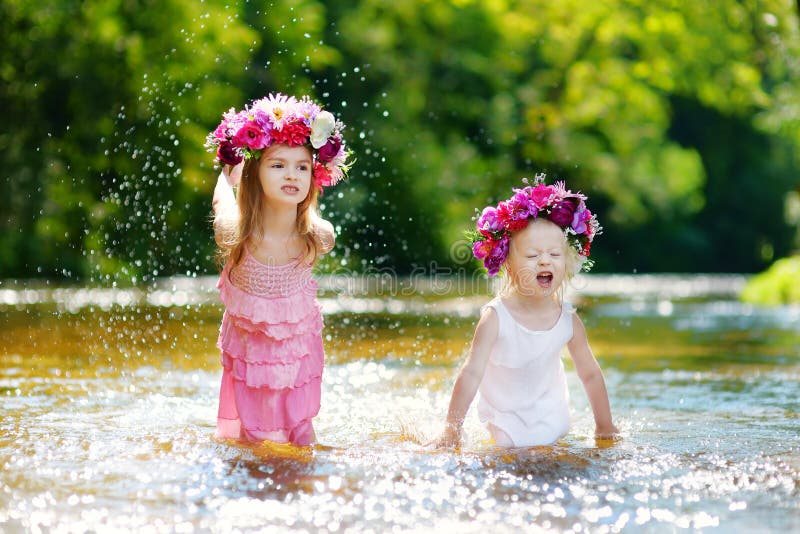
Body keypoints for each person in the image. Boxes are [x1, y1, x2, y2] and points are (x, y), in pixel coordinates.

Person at [206, 93, 351, 446]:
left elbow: (309, 212)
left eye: (302, 167)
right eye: (278, 165)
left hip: (297, 356)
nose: (292, 175)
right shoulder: (236, 233)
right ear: (256, 174)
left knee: (301, 440)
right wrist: (229, 177)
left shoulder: (317, 236)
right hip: (249, 358)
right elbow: (221, 200)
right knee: (252, 441)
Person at [432, 176, 619, 448]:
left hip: (552, 417)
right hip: (504, 418)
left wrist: (604, 426)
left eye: (555, 255)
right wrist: (451, 431)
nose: (544, 260)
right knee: (512, 460)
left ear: (567, 262)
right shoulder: (496, 317)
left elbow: (589, 373)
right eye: (532, 256)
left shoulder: (568, 320)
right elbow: (471, 372)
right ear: (508, 265)